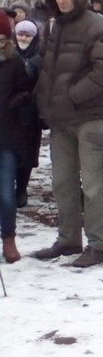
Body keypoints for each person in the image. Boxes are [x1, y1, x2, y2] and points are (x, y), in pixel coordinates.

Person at [33, 0, 103, 267]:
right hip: (60, 119)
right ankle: (68, 239)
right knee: (62, 183)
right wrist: (41, 99)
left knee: (94, 185)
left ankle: (98, 246)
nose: (62, 0)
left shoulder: (96, 25)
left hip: (88, 117)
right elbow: (47, 68)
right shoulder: (53, 26)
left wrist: (73, 96)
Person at [0, 13, 33, 262]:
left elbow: (26, 92)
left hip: (6, 136)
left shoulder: (14, 62)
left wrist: (18, 101)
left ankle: (8, 238)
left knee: (6, 193)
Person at [13, 20, 41, 208]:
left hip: (31, 113)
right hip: (10, 112)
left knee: (28, 154)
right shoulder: (8, 54)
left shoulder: (39, 56)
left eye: (27, 35)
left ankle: (22, 189)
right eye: (20, 34)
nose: (23, 38)